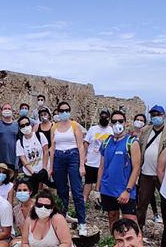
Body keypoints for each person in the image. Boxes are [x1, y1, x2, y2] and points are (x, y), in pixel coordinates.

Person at [48, 101, 89, 236]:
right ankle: (62, 218)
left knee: (77, 191)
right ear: (58, 112)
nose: (64, 112)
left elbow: (81, 146)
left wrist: (82, 165)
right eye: (62, 110)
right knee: (61, 191)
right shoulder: (54, 127)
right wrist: (51, 166)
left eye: (67, 110)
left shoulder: (75, 125)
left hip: (73, 156)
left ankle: (82, 222)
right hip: (59, 157)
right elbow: (52, 148)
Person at [97, 110, 141, 231]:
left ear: (125, 123)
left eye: (120, 121)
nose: (117, 124)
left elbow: (136, 168)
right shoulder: (106, 142)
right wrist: (98, 189)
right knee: (112, 218)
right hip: (108, 189)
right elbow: (101, 166)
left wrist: (127, 190)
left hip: (125, 190)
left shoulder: (131, 142)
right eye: (114, 121)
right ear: (111, 124)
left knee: (131, 221)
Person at [136, 105, 166, 228]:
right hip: (146, 173)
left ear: (164, 116)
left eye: (158, 114)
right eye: (153, 115)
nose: (155, 117)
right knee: (141, 204)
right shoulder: (145, 130)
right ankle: (138, 229)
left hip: (163, 174)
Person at [132, 114, 160, 223]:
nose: (139, 121)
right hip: (138, 168)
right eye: (137, 119)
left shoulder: (146, 134)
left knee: (151, 194)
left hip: (151, 169)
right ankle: (137, 220)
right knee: (140, 195)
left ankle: (156, 213)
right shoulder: (130, 134)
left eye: (141, 120)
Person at [15, 115, 51, 194]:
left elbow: (45, 152)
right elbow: (23, 159)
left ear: (30, 124)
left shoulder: (40, 136)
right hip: (30, 173)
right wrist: (33, 173)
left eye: (27, 124)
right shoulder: (19, 142)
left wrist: (44, 169)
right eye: (22, 125)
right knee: (32, 194)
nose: (25, 126)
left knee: (46, 193)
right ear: (20, 128)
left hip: (44, 170)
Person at [84, 108, 113, 203]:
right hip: (91, 161)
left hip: (103, 162)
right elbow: (86, 143)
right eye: (102, 116)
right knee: (88, 182)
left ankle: (98, 201)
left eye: (106, 117)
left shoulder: (111, 131)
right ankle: (84, 199)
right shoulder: (93, 129)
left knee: (100, 183)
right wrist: (84, 156)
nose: (104, 118)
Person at [0, 103, 20, 171]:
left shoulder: (16, 126)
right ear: (1, 111)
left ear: (12, 111)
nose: (7, 110)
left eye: (9, 109)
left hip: (12, 159)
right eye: (5, 109)